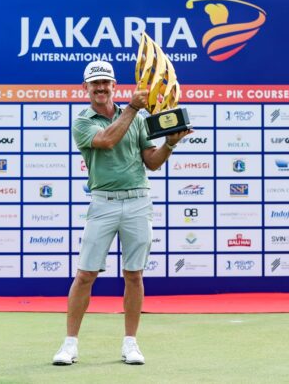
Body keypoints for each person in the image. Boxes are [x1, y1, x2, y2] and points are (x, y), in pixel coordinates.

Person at [52, 60, 191, 366]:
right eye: (95, 83)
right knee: (85, 275)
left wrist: (169, 144)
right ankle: (69, 344)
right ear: (85, 88)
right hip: (103, 202)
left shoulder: (137, 120)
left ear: (114, 85)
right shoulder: (82, 122)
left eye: (105, 82)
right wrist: (132, 108)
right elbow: (107, 140)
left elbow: (151, 162)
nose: (100, 88)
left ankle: (131, 344)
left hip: (138, 200)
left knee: (134, 274)